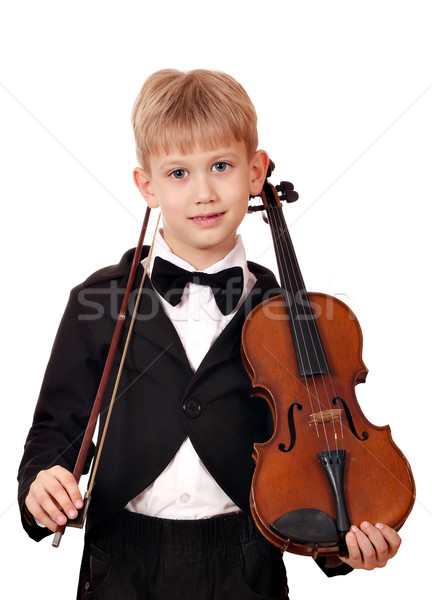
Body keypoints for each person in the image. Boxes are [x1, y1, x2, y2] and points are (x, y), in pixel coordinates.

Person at [18, 69, 401, 599]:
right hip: (120, 562)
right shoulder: (98, 301)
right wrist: (41, 484)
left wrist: (345, 540)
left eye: (221, 166)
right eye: (178, 173)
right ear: (146, 185)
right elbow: (54, 431)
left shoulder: (288, 315)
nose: (203, 192)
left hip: (246, 558)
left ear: (255, 170)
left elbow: (313, 444)